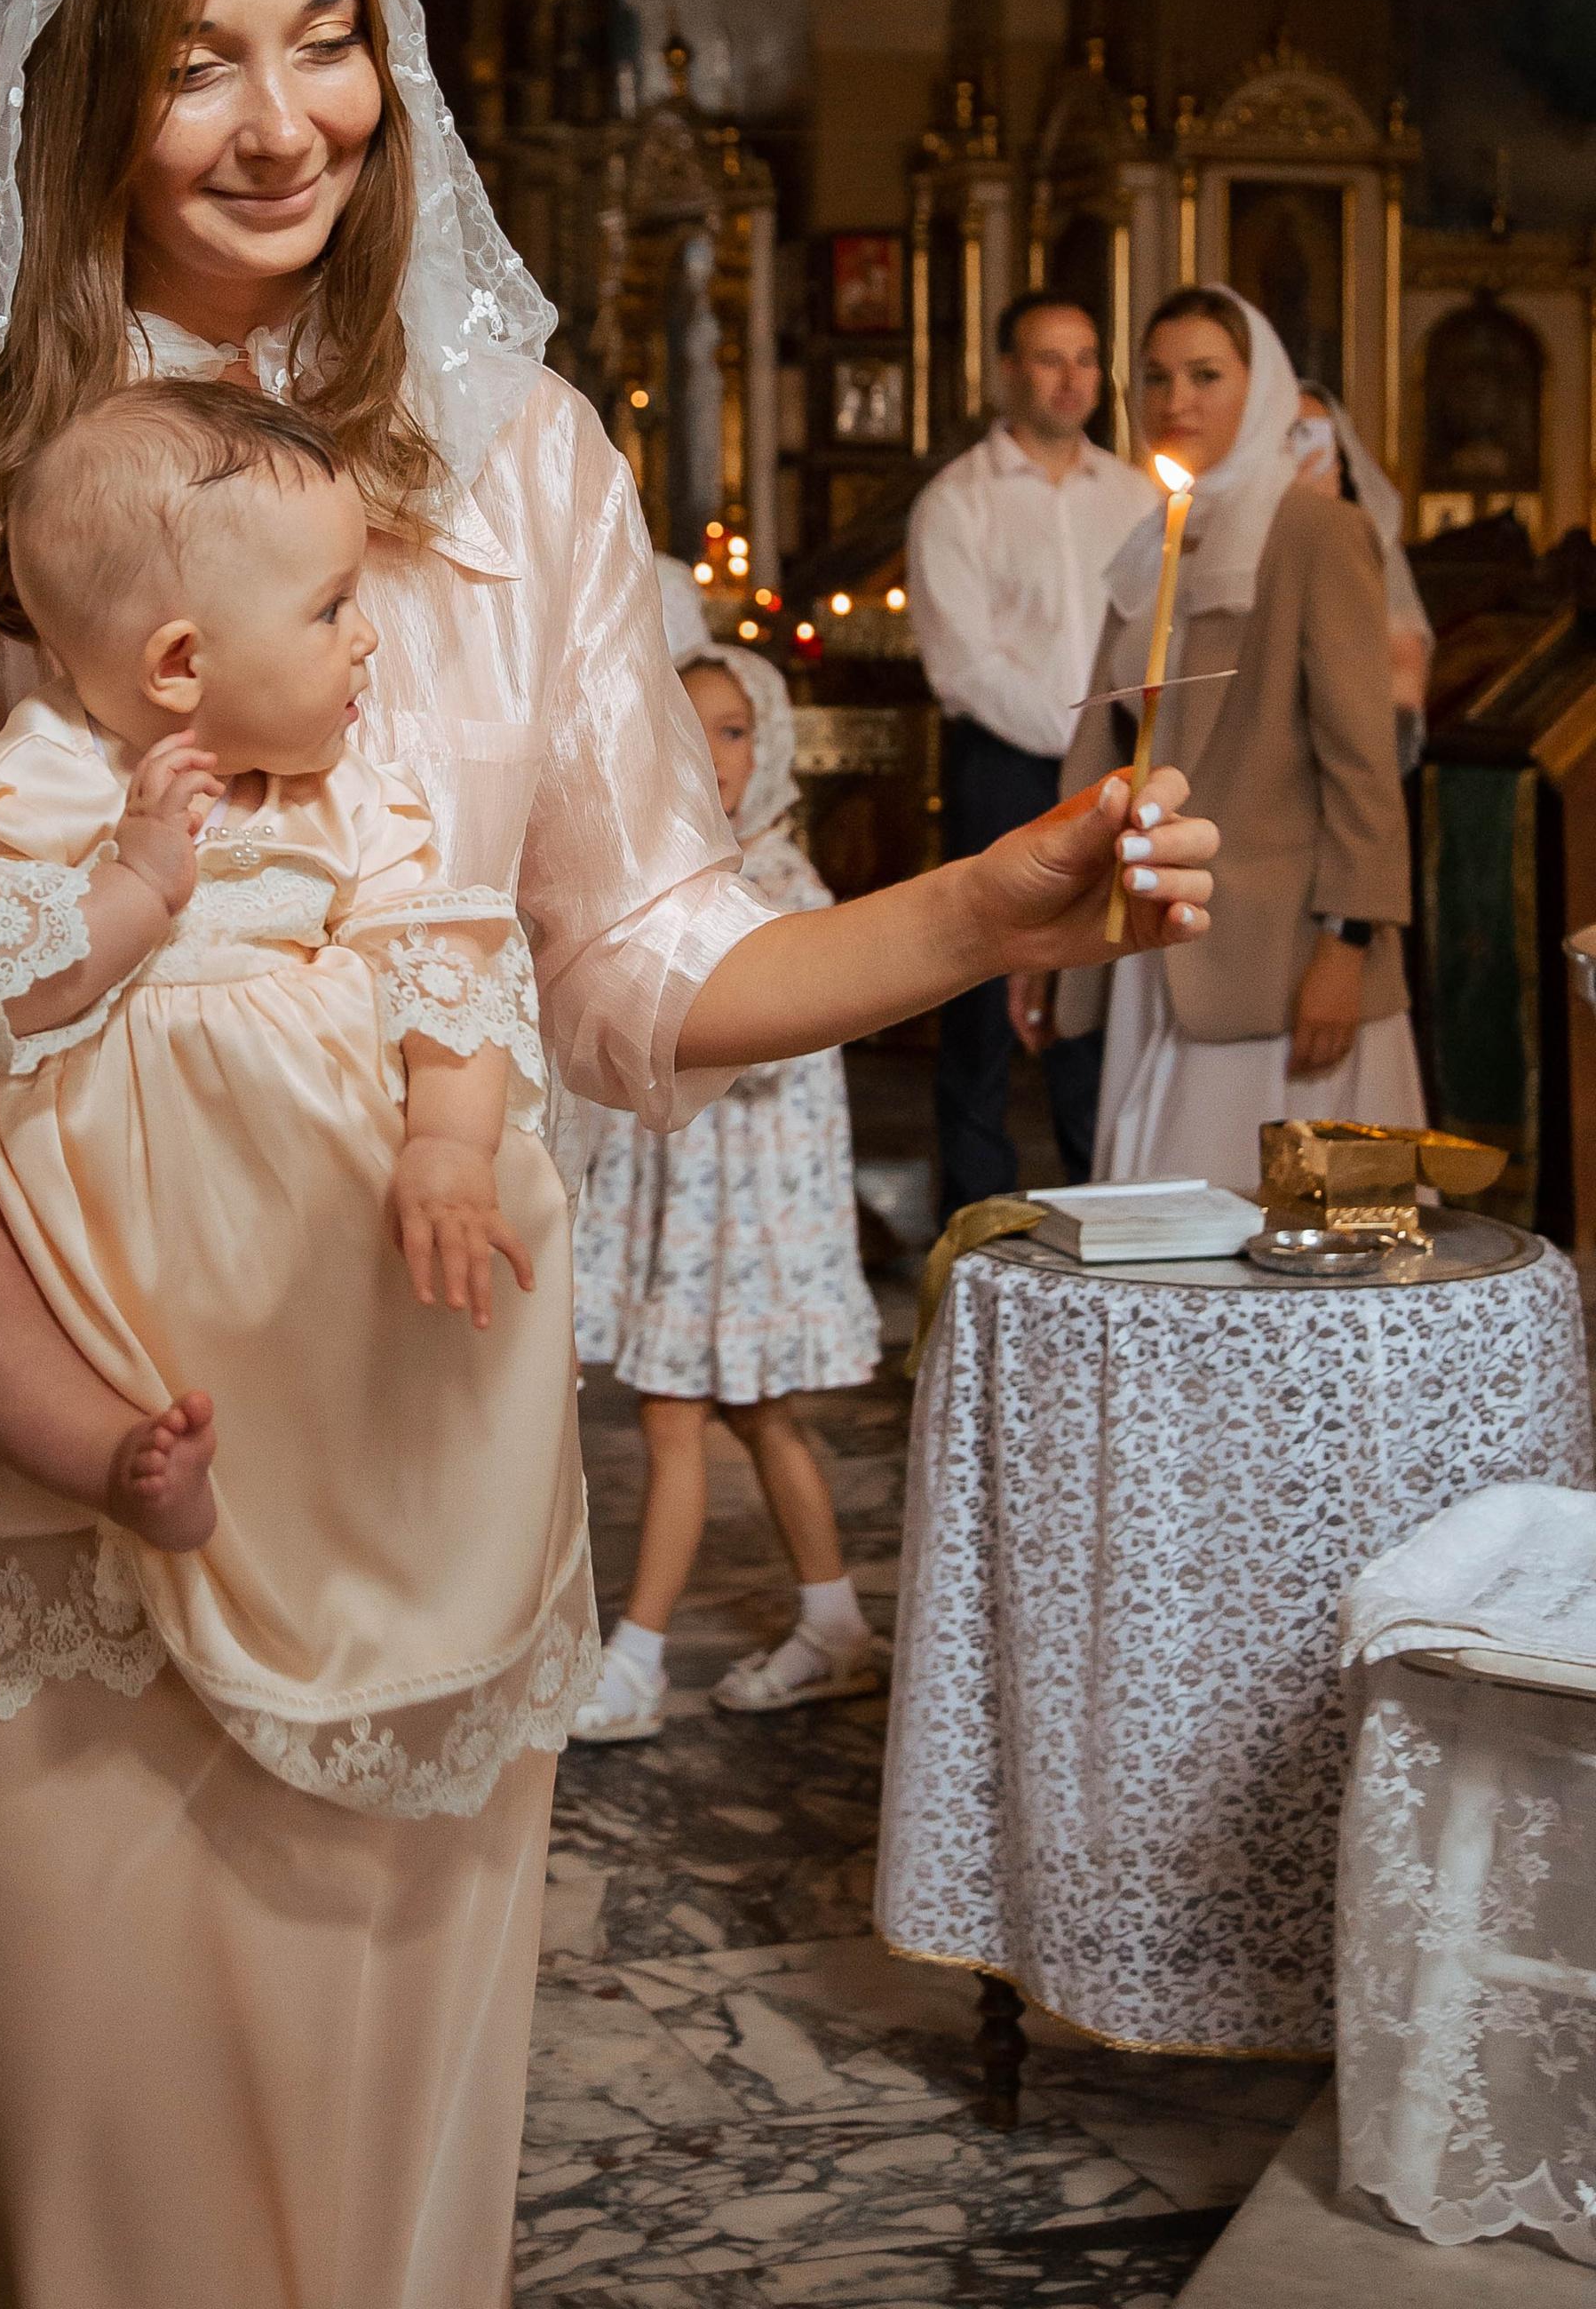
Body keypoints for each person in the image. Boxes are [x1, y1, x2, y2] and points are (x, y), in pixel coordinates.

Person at [0, 0, 1217, 2309]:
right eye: (198, 63)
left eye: (331, 42)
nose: (286, 124)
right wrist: (144, 1071)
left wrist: (987, 901)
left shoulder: (534, 474)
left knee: (373, 2246)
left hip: (426, 1483)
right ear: (85, 102)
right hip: (67, 1536)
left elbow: (644, 968)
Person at [0, 378, 585, 1762]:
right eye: (331, 610)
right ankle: (113, 1461)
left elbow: (452, 959)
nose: (369, 640)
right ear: (180, 664)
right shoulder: (34, 791)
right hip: (98, 1228)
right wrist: (136, 885)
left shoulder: (347, 799)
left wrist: (448, 1143)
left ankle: (386, 1528)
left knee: (474, 1224)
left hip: (320, 1219)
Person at [571, 639, 881, 1743]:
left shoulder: (781, 882)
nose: (713, 751)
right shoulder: (676, 873)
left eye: (735, 730)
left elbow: (773, 1039)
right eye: (690, 726)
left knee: (673, 1416)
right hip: (690, 1200)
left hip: (745, 1210)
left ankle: (637, 1661)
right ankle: (836, 1624)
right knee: (757, 1417)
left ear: (772, 746)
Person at [1047, 282, 1418, 1192]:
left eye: (1205, 375)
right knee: (1155, 1217)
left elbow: (1363, 767)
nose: (1176, 402)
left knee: (1292, 1233)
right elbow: (1105, 743)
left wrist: (1348, 946)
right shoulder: (1154, 541)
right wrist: (1051, 925)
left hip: (1283, 955)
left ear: (1257, 390)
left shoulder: (1317, 533)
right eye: (1157, 376)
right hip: (1152, 942)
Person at [906, 291, 1150, 1209]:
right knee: (979, 1003)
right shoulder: (956, 501)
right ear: (1008, 371)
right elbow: (965, 663)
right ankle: (974, 1222)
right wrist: (1078, 736)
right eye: (1049, 359)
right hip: (1002, 765)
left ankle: (1108, 1209)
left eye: (1086, 358)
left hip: (1116, 768)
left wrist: (1112, 747)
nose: (1071, 378)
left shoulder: (1134, 496)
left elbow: (1147, 638)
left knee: (1096, 991)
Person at [1290, 381, 1434, 767]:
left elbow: (1405, 671)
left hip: (1353, 751)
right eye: (1287, 434)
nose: (1300, 448)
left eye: (1311, 433)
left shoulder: (1367, 536)